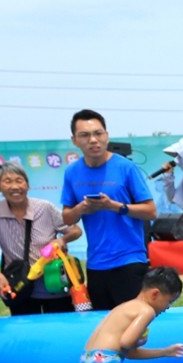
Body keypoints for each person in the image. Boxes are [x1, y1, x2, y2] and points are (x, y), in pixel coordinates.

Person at [61, 109, 157, 310]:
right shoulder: (72, 172)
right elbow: (67, 217)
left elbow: (150, 211)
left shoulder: (126, 167)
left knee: (134, 325)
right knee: (104, 326)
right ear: (74, 141)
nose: (93, 140)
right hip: (96, 265)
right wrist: (82, 208)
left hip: (130, 261)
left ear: (107, 135)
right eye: (85, 135)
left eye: (98, 133)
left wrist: (114, 206)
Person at [0, 161, 78, 316]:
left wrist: (61, 240)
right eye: (7, 181)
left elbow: (75, 231)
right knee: (26, 334)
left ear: (27, 185)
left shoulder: (44, 207)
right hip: (20, 289)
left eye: (19, 180)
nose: (15, 186)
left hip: (54, 285)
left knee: (60, 330)